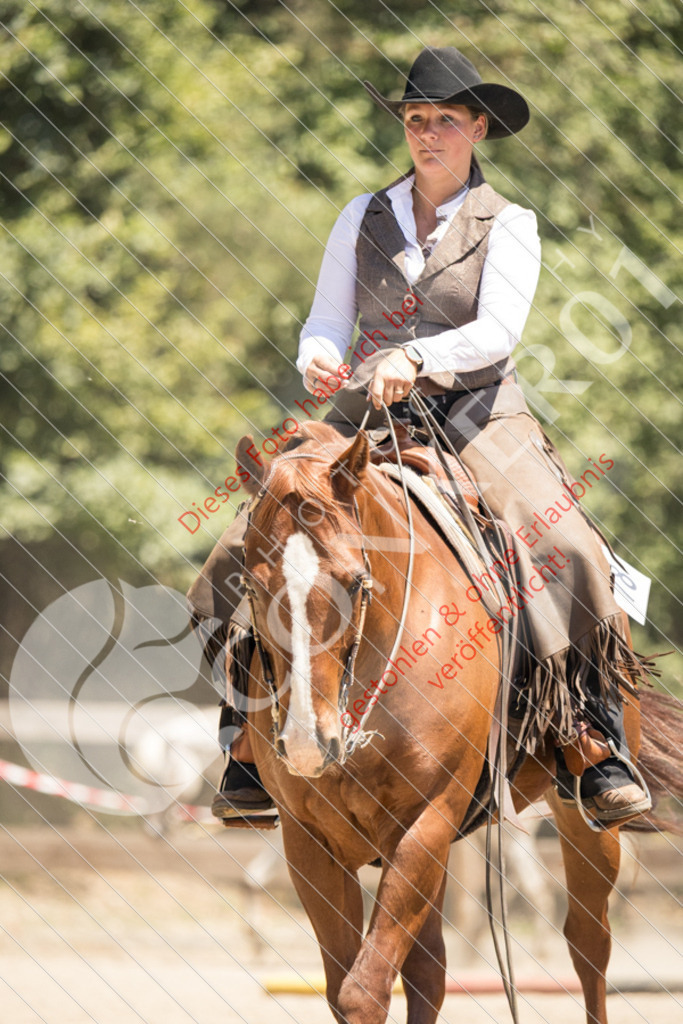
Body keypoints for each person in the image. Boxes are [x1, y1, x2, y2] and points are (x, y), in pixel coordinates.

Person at [187, 45, 652, 826]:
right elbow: (326, 320)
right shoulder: (360, 214)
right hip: (366, 417)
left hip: (479, 412)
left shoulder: (511, 224)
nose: (427, 133)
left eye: (443, 120)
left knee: (567, 547)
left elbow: (496, 333)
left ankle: (590, 738)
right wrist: (322, 359)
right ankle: (245, 739)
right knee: (234, 552)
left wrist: (413, 352)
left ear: (476, 128)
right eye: (414, 119)